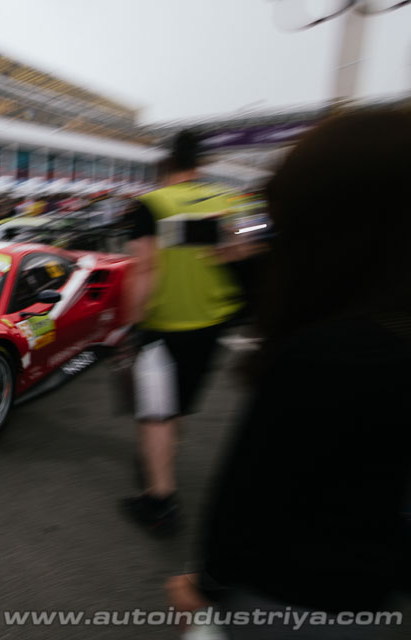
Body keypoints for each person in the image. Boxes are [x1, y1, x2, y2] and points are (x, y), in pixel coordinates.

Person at [166, 110, 411, 639]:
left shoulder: (335, 354)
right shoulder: (382, 322)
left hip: (291, 602)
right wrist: (241, 255)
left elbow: (252, 495)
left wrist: (208, 583)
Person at [120, 130, 246, 534]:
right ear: (200, 165)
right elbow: (250, 245)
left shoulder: (151, 204)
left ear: (166, 164)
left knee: (155, 413)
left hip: (164, 328)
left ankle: (160, 500)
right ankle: (163, 464)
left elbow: (145, 269)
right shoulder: (230, 200)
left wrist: (133, 323)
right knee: (178, 407)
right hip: (212, 324)